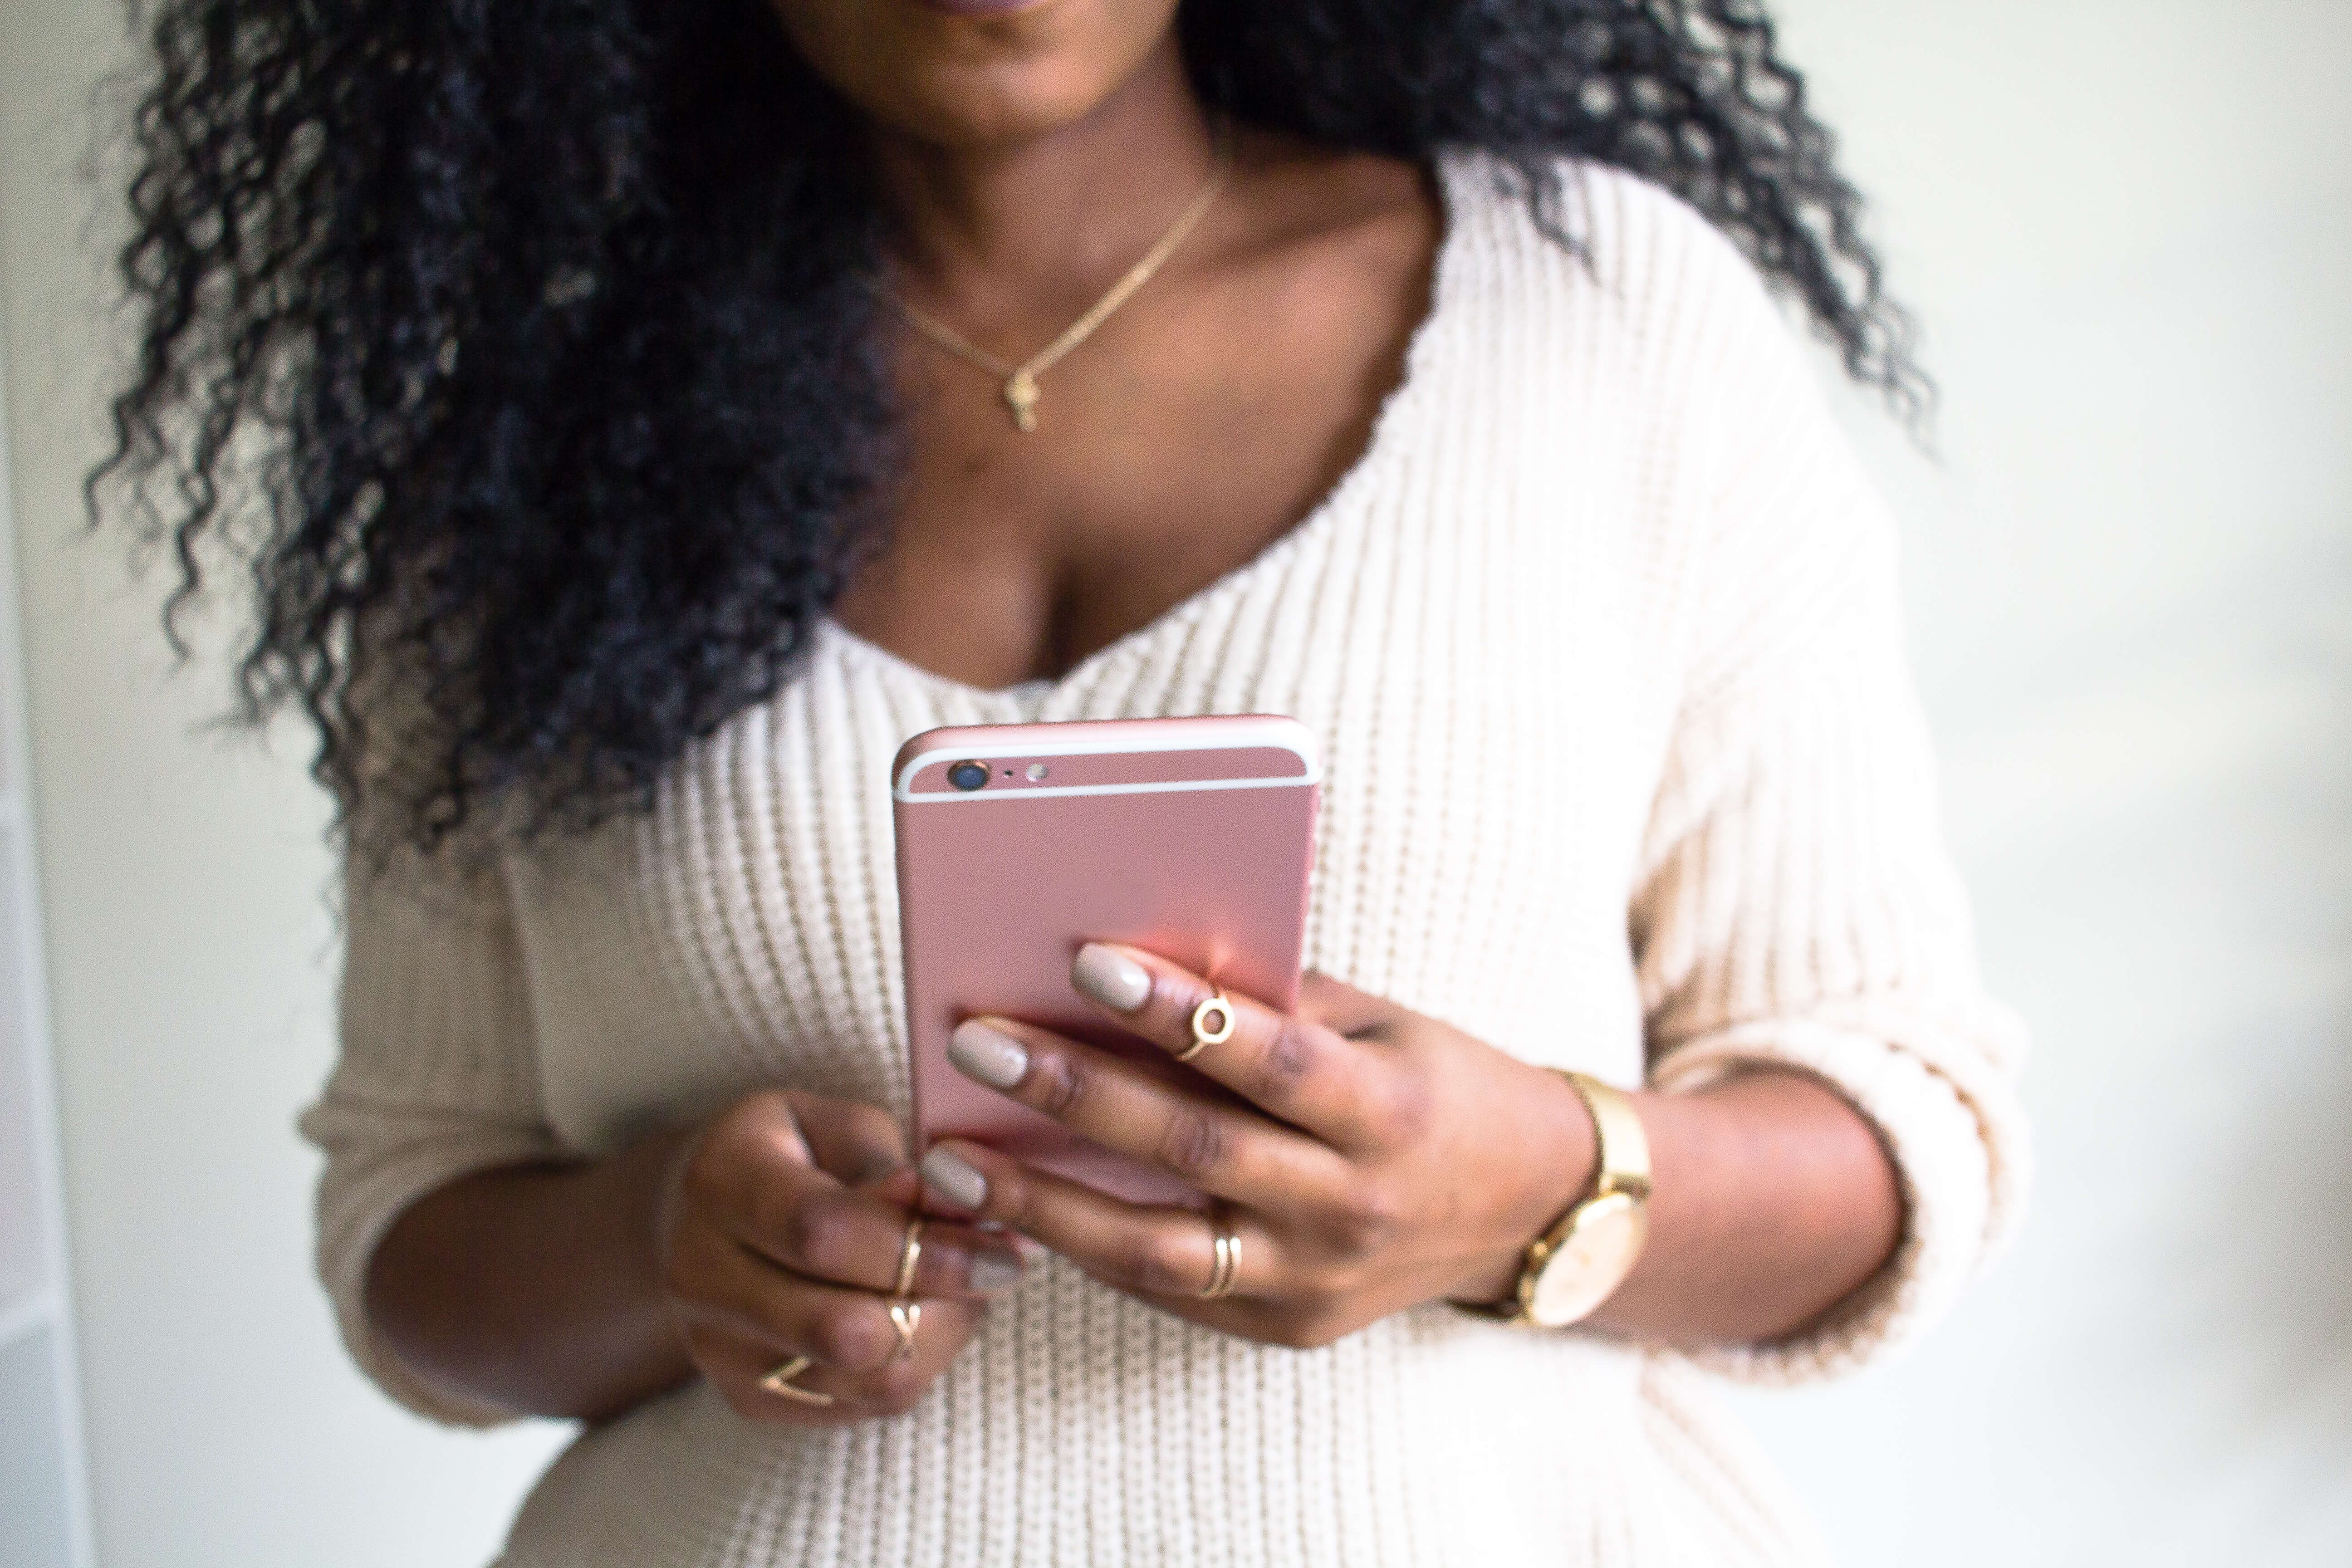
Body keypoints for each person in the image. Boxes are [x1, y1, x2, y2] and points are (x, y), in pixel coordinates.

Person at [101, 1, 2028, 1562]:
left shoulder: (1597, 314)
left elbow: (1896, 1128)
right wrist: (667, 1247)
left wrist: (1527, 1188)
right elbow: (412, 1231)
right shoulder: (517, 470)